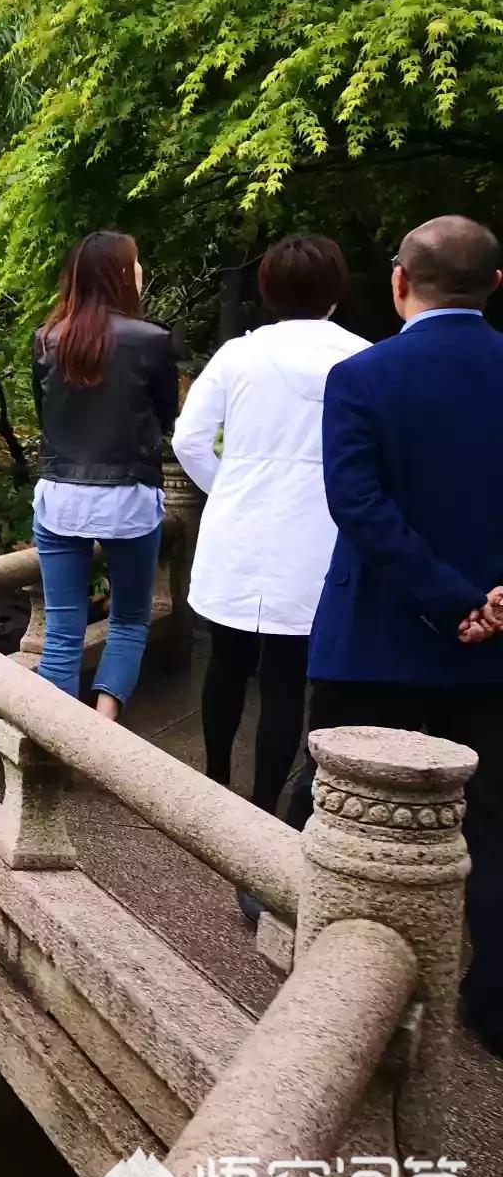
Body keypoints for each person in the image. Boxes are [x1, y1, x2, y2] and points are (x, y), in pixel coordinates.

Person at [289, 215, 503, 1049]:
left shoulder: (364, 376)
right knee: (491, 822)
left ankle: (310, 952)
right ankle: (488, 1009)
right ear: (494, 287)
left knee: (332, 796)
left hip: (380, 634)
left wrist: (450, 600)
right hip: (496, 648)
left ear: (398, 282)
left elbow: (361, 507)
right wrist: (490, 602)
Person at [171, 236, 369, 815]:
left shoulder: (238, 355)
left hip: (240, 530)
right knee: (286, 682)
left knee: (225, 665)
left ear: (266, 291)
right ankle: (263, 809)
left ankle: (212, 783)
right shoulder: (361, 356)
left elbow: (188, 438)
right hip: (318, 538)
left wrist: (227, 484)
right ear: (336, 290)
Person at [30, 231, 178, 721]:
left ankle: (51, 741)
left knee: (63, 630)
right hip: (128, 498)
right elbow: (166, 418)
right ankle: (102, 727)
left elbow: (45, 415)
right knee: (131, 619)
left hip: (60, 496)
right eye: (135, 264)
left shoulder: (48, 339)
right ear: (119, 274)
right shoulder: (152, 341)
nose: (140, 271)